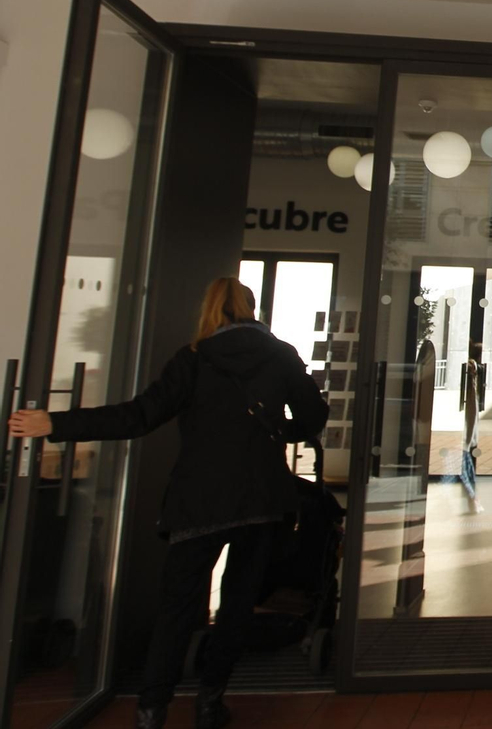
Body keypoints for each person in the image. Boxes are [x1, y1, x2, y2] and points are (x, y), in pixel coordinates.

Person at [7, 278, 328, 729]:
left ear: (209, 309)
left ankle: (151, 709)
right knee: (237, 605)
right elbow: (314, 418)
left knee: (177, 607)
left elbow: (138, 416)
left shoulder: (193, 358)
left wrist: (55, 424)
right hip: (261, 501)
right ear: (252, 308)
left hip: (197, 503)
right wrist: (279, 433)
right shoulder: (281, 355)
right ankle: (210, 702)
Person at [458, 341, 486, 513]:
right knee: (466, 467)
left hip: (467, 435)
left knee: (467, 466)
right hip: (464, 435)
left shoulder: (471, 376)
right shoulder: (469, 374)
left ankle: (473, 499)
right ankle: (472, 500)